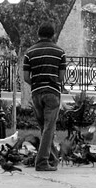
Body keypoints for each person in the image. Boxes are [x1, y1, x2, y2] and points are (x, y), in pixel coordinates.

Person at [22, 22, 67, 172]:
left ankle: (53, 158)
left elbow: (26, 77)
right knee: (49, 128)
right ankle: (41, 162)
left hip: (36, 93)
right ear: (53, 35)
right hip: (52, 92)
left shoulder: (29, 52)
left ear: (38, 35)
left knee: (44, 128)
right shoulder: (60, 52)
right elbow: (60, 77)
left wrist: (37, 82)